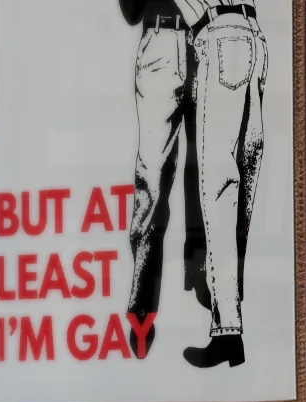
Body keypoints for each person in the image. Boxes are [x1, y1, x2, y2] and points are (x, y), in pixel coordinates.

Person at [182, 1, 268, 367]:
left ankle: (228, 332)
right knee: (246, 174)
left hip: (220, 37)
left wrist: (196, 21)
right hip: (254, 38)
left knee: (219, 188)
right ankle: (232, 313)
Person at [123, 0, 208, 359]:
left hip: (209, 38)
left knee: (209, 171)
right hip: (160, 44)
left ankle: (203, 276)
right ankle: (142, 306)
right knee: (153, 178)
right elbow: (130, 11)